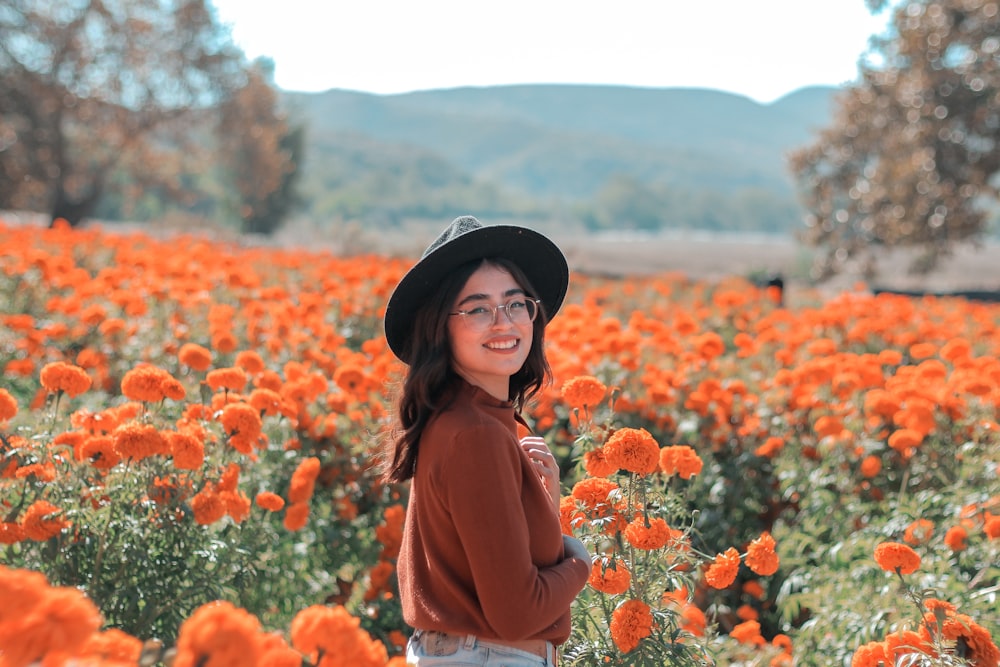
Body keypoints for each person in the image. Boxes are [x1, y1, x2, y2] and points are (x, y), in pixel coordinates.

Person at [382, 215, 591, 666]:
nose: (504, 322)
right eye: (478, 309)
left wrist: (542, 506)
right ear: (440, 327)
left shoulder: (461, 420)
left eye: (516, 304)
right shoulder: (476, 434)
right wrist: (580, 560)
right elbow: (517, 613)